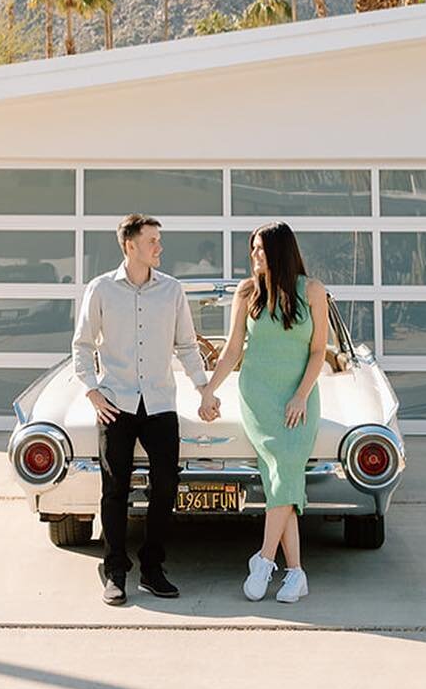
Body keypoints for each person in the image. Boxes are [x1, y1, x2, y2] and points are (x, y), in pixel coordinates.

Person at [72, 212, 211, 605]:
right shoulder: (100, 290)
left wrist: (203, 387)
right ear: (129, 245)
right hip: (115, 402)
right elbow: (82, 345)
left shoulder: (172, 291)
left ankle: (152, 567)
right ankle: (115, 570)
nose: (159, 247)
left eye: (159, 240)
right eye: (153, 241)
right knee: (114, 489)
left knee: (166, 485)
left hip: (160, 402)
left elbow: (186, 345)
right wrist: (92, 392)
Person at [200, 221, 328, 603]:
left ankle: (265, 560)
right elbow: (233, 349)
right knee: (281, 473)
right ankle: (293, 574)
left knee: (284, 468)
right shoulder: (247, 292)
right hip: (257, 395)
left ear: (281, 251)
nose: (254, 255)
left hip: (298, 397)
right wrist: (209, 389)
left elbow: (319, 350)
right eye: (252, 248)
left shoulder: (313, 291)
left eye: (260, 249)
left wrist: (301, 396)